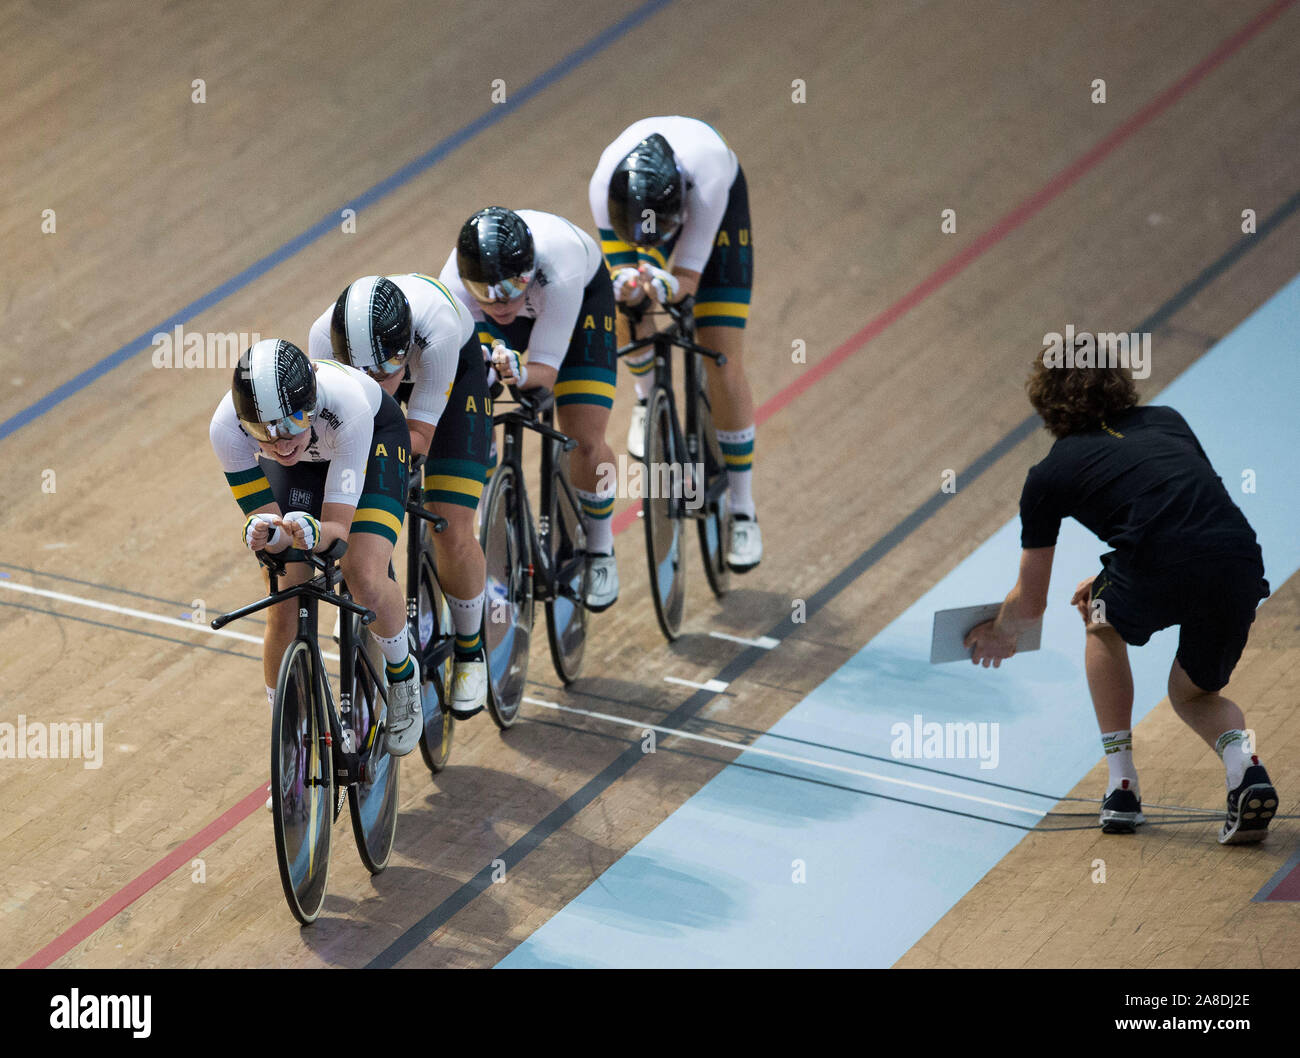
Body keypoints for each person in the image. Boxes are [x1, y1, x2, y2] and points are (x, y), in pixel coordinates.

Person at [964, 351, 1277, 844]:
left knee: (1098, 618)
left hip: (1159, 566)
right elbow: (1187, 509)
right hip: (1237, 561)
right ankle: (1245, 769)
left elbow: (1030, 604)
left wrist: (999, 633)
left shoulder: (1048, 475)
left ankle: (1122, 786)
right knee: (1193, 694)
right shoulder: (1168, 420)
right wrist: (1116, 572)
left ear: (1047, 408)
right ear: (1118, 384)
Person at [210, 339, 423, 756]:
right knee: (282, 596)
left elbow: (338, 530)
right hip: (307, 467)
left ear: (310, 403)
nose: (279, 443)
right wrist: (264, 533)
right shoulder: (227, 430)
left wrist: (313, 529)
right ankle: (287, 745)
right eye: (263, 433)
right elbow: (273, 528)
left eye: (291, 423)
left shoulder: (347, 406)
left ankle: (403, 674)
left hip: (373, 440)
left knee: (362, 568)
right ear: (244, 423)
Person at [308, 274, 492, 718]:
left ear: (405, 350)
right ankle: (371, 583)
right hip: (369, 405)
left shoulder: (439, 330)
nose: (374, 379)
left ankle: (470, 650)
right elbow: (330, 433)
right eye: (360, 370)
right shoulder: (321, 337)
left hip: (449, 381)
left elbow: (418, 437)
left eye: (384, 369)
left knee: (449, 524)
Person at [589, 116, 761, 572]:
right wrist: (630, 285)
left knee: (721, 357)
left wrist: (672, 285)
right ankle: (647, 400)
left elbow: (686, 278)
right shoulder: (604, 188)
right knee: (624, 302)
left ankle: (744, 510)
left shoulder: (708, 179)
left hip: (716, 224)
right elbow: (622, 273)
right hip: (644, 218)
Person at [438, 206, 620, 611]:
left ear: (531, 271)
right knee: (464, 404)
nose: (500, 303)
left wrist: (520, 371)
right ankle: (488, 508)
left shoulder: (562, 266)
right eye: (487, 293)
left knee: (585, 439)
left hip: (579, 306)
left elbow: (546, 370)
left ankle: (600, 549)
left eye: (511, 287)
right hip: (495, 322)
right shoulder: (454, 284)